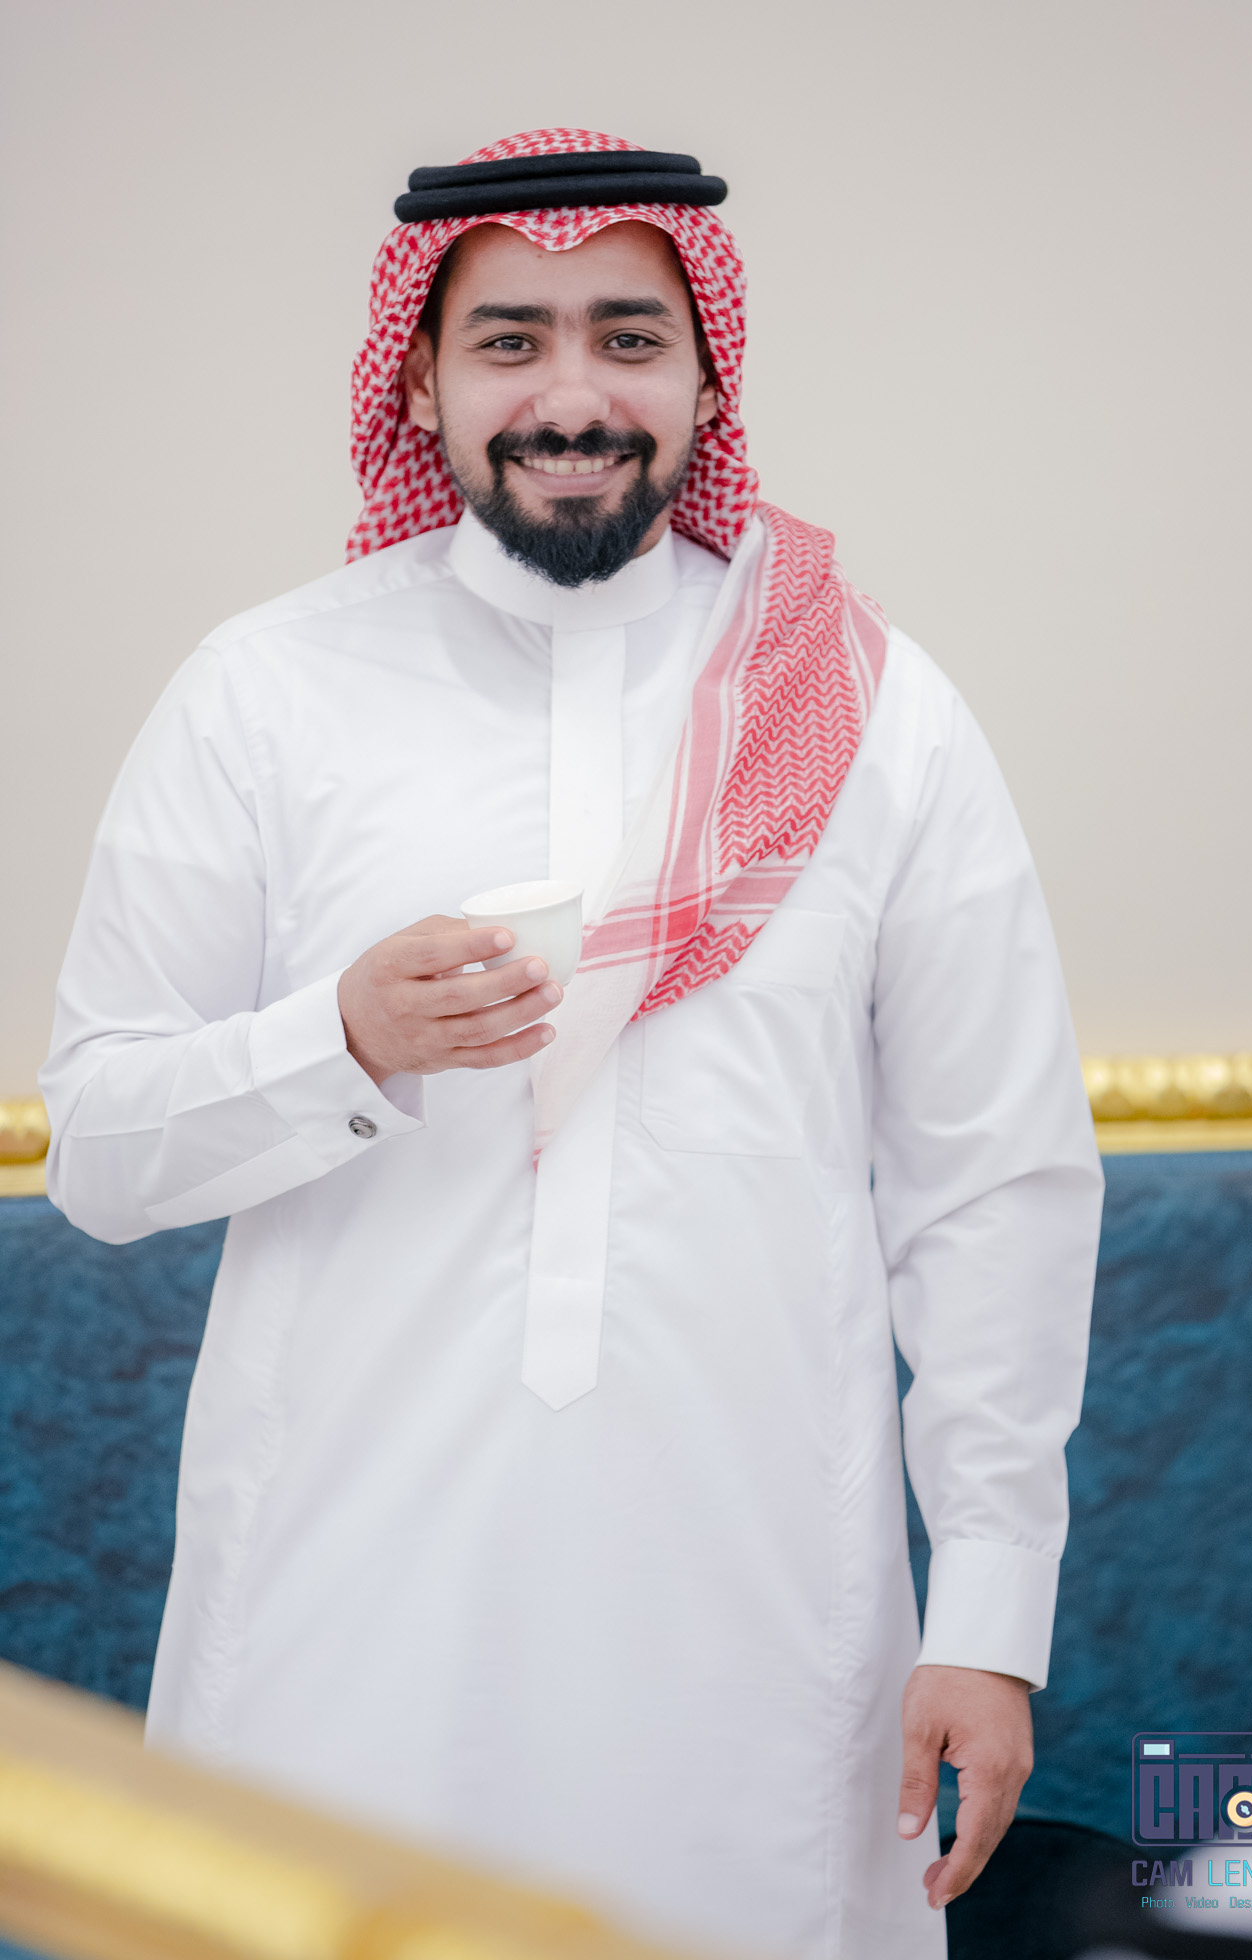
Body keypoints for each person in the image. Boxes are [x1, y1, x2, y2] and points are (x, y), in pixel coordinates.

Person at [41, 129, 1103, 1960]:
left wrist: (990, 1615)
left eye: (628, 336)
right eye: (508, 340)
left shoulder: (869, 707)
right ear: (421, 381)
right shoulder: (265, 694)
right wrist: (341, 1041)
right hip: (342, 1605)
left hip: (759, 1609)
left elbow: (990, 1184)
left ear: (706, 375)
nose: (572, 395)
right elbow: (103, 1155)